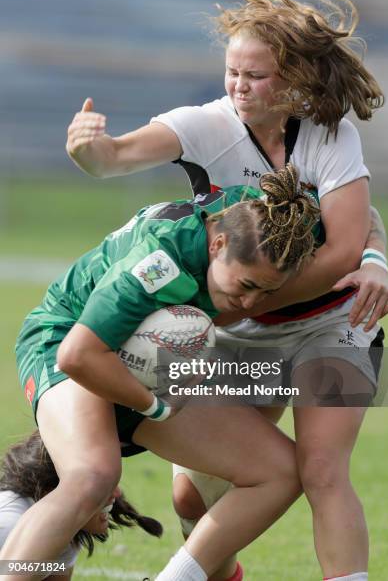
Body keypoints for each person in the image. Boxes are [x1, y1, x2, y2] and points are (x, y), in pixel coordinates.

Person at [65, 0, 388, 581]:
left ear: (293, 80)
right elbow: (116, 158)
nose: (238, 86)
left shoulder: (329, 133)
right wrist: (94, 153)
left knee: (323, 470)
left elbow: (347, 242)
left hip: (330, 327)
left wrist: (369, 263)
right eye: (231, 72)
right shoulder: (205, 126)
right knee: (193, 498)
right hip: (247, 338)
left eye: (256, 75)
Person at [1, 167, 323, 581]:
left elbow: (355, 217)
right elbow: (76, 356)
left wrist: (372, 259)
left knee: (279, 471)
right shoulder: (158, 262)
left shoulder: (275, 225)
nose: (250, 303)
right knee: (93, 476)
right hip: (67, 339)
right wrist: (154, 407)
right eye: (245, 285)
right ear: (218, 243)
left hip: (140, 361)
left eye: (266, 292)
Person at [0, 431, 162, 581]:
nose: (117, 493)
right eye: (99, 482)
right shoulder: (10, 527)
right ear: (51, 492)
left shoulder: (62, 532)